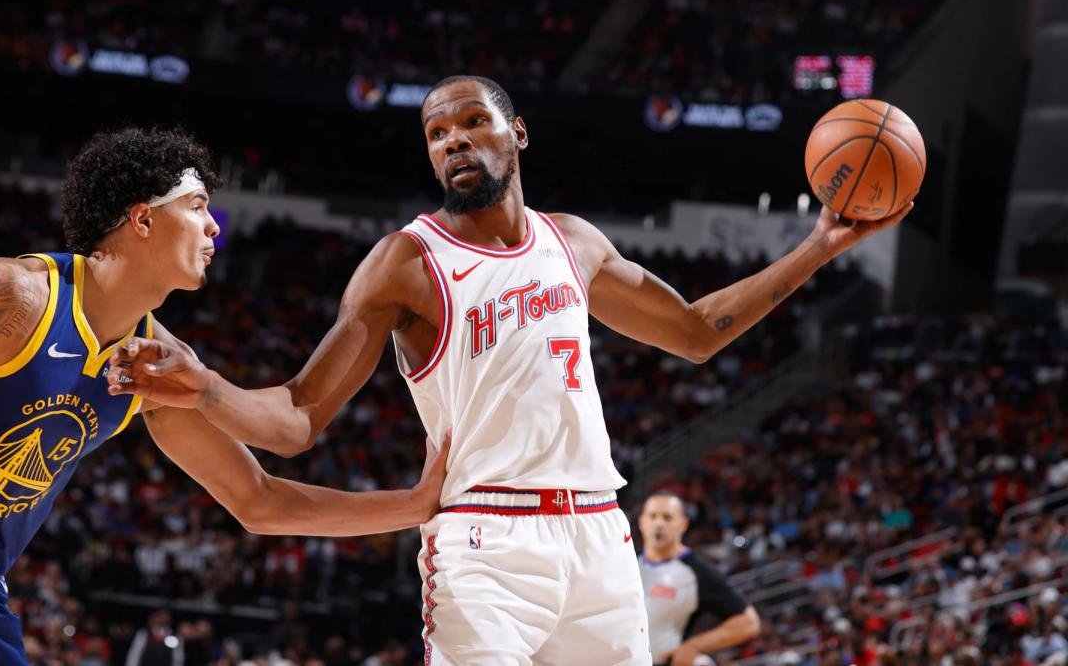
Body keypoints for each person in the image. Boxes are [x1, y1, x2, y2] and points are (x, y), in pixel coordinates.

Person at [109, 76, 912, 665]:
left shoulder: (576, 242)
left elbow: (698, 333)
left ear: (517, 133)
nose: (453, 140)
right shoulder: (405, 263)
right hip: (485, 542)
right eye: (436, 132)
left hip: (599, 535)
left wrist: (818, 246)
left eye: (472, 121)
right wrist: (208, 387)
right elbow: (296, 419)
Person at [0, 127, 449, 666]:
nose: (215, 226)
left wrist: (414, 505)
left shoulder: (154, 365)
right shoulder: (12, 299)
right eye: (197, 207)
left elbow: (259, 501)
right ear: (143, 219)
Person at [637, 493, 760, 665]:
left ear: (683, 524)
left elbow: (748, 623)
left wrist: (694, 646)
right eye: (652, 516)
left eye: (667, 517)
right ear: (642, 522)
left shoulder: (697, 571)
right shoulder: (627, 562)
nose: (659, 524)